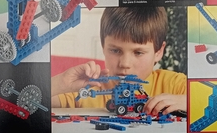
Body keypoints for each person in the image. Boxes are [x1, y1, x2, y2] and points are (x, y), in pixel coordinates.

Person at [51, 7, 187, 116]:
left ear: (158, 52)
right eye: (115, 50)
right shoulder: (86, 87)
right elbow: (40, 103)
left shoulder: (174, 84)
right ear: (103, 47)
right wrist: (61, 83)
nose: (125, 64)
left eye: (138, 52)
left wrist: (188, 102)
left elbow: (200, 97)